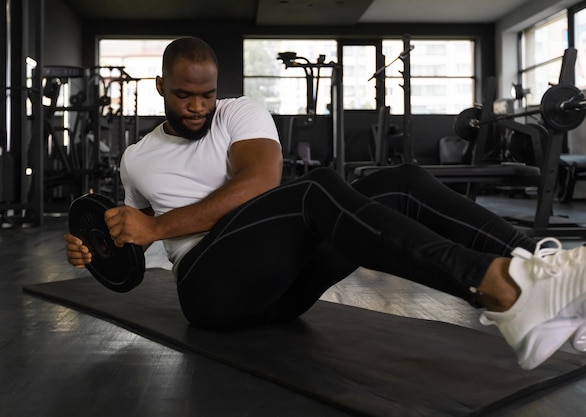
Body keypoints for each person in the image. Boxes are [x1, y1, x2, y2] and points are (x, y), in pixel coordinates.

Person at [64, 36, 586, 371]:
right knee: (317, 190)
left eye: (207, 95)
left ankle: (544, 268)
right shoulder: (137, 157)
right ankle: (500, 288)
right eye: (184, 96)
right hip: (212, 295)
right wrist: (97, 250)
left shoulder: (239, 113)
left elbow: (261, 181)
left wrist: (155, 228)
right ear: (160, 87)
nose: (199, 107)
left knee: (400, 179)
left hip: (282, 290)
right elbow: (132, 254)